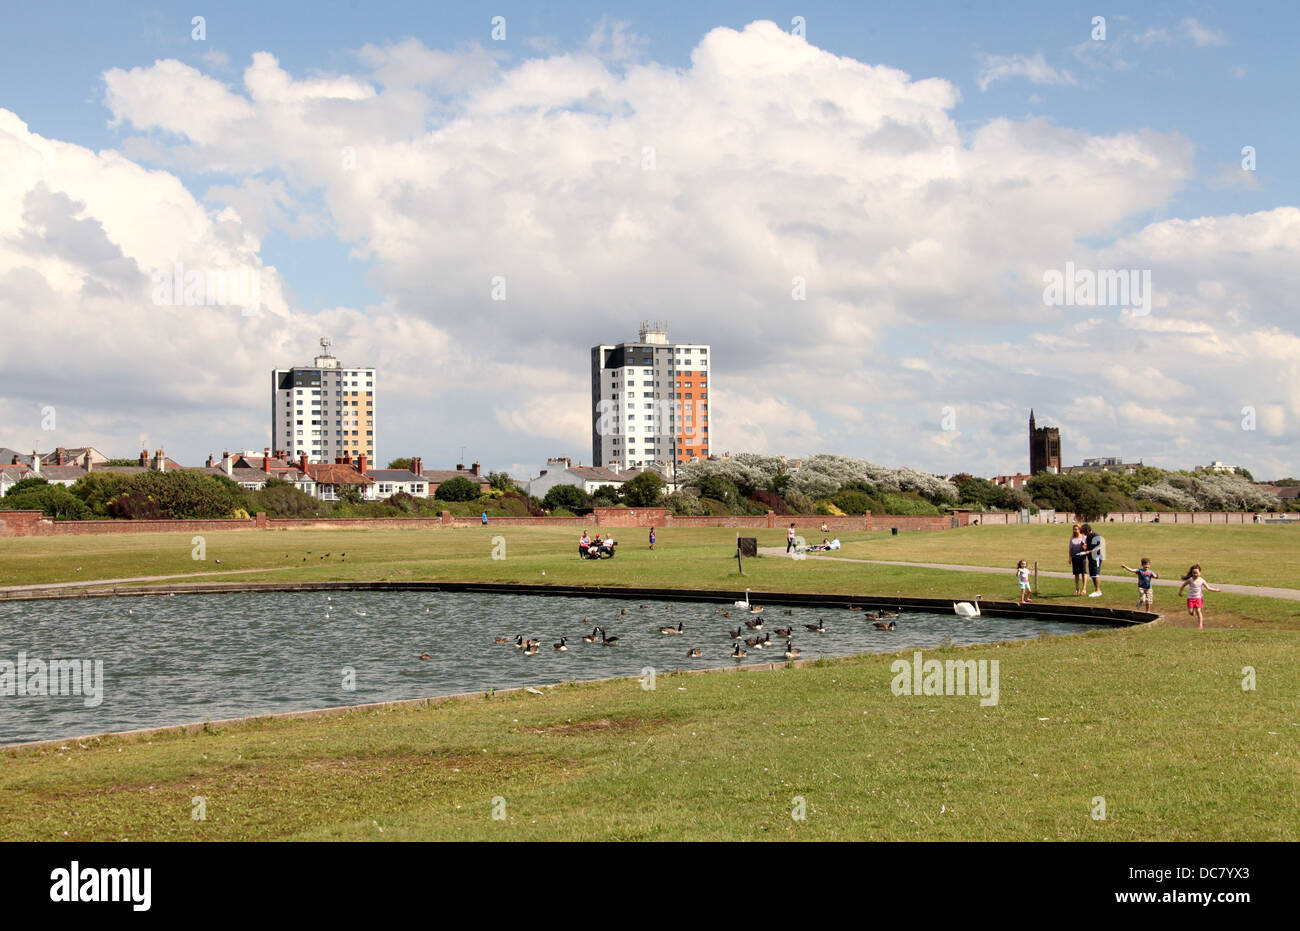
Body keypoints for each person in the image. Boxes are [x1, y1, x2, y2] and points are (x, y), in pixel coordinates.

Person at [1178, 564, 1222, 629]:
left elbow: (1208, 588)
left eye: (1196, 573)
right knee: (1190, 612)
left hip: (1198, 598)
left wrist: (1216, 590)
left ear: (1200, 573)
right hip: (1190, 598)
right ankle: (1192, 612)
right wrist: (1180, 592)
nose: (1195, 574)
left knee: (1198, 611)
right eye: (1193, 573)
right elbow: (1183, 585)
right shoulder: (1190, 580)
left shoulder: (1202, 580)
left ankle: (1200, 625)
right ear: (1192, 573)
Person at [1080, 523, 1105, 597]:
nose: (1083, 533)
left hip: (1096, 557)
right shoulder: (1088, 537)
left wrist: (1089, 551)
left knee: (1096, 574)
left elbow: (1099, 547)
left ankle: (1098, 591)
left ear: (1087, 530)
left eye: (1084, 531)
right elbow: (1089, 547)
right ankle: (1096, 590)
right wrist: (1084, 547)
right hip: (1090, 557)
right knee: (1092, 574)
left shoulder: (1095, 536)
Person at [1068, 523, 1087, 595]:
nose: (1075, 530)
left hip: (1082, 558)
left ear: (1079, 530)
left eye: (1076, 529)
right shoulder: (1072, 538)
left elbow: (1086, 548)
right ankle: (1077, 589)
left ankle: (1084, 589)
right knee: (1076, 574)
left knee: (1083, 573)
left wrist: (1083, 544)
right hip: (1074, 558)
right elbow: (1070, 549)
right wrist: (1069, 558)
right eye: (1074, 529)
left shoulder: (1084, 537)